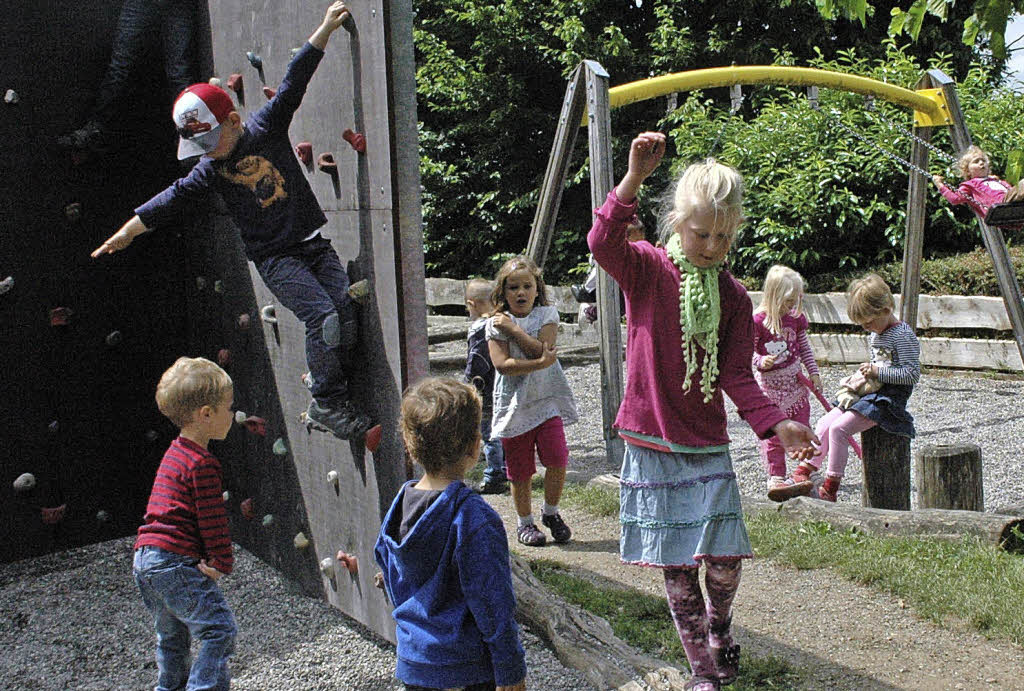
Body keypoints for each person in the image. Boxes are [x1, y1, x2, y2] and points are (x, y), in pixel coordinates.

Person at [588, 132, 818, 691]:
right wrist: (634, 178)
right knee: (677, 567)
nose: (711, 245)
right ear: (676, 223)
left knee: (723, 559)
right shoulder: (644, 270)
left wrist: (777, 422)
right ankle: (701, 670)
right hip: (651, 440)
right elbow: (601, 242)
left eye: (722, 235)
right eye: (700, 233)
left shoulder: (736, 298)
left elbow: (738, 373)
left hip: (705, 442)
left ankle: (721, 625)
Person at [91, 3, 376, 444]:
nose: (206, 152)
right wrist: (128, 231)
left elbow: (293, 84)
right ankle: (325, 400)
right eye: (198, 145)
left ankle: (328, 384)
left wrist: (323, 30)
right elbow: (173, 198)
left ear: (234, 120)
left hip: (312, 243)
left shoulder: (265, 129)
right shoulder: (210, 170)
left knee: (344, 318)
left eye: (210, 140)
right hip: (277, 259)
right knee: (323, 317)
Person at [374, 377, 527, 691]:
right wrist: (511, 672)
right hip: (465, 668)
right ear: (475, 446)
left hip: (415, 662)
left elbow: (387, 568)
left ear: (410, 444)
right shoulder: (474, 518)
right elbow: (494, 602)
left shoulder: (399, 506)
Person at [133, 356, 237, 691]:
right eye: (228, 407)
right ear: (206, 414)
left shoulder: (174, 452)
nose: (233, 415)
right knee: (218, 630)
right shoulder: (202, 463)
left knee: (171, 634)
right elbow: (212, 519)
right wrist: (221, 561)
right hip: (173, 561)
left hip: (145, 559)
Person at [789, 274, 920, 502]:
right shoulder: (876, 333)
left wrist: (879, 372)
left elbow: (911, 374)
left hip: (887, 399)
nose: (867, 328)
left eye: (869, 322)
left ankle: (830, 487)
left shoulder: (902, 336)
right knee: (825, 422)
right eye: (862, 324)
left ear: (887, 309)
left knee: (839, 429)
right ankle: (805, 470)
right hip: (871, 391)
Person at [487, 255, 578, 547]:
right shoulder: (494, 323)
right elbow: (503, 364)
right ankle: (525, 523)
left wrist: (513, 331)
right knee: (520, 469)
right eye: (513, 287)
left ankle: (551, 513)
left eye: (527, 286)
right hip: (514, 406)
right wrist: (539, 362)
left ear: (537, 289)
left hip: (546, 400)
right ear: (503, 292)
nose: (521, 292)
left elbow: (544, 349)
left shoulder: (547, 314)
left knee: (558, 457)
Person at [59, 0, 202, 153]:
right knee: (121, 68)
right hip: (147, 4)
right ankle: (97, 129)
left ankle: (191, 137)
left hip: (176, 5)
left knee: (179, 73)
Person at [751, 265, 822, 501]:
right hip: (770, 389)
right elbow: (748, 353)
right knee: (773, 435)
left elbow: (804, 348)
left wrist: (814, 372)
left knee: (801, 426)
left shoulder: (795, 320)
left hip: (795, 384)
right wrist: (762, 361)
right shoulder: (758, 322)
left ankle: (802, 472)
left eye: (795, 301)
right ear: (773, 295)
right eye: (787, 301)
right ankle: (776, 475)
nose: (791, 306)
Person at [464, 278, 508, 495]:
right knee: (503, 430)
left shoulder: (480, 330)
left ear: (472, 304)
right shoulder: (502, 322)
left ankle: (494, 476)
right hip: (502, 386)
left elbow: (477, 362)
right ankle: (507, 470)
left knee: (489, 435)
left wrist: (469, 382)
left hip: (486, 391)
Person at [571, 215, 646, 324]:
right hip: (596, 288)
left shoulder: (638, 254)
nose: (638, 246)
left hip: (618, 286)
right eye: (634, 242)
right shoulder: (614, 252)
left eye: (641, 241)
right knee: (619, 303)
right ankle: (588, 311)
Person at [932, 145, 1024, 217]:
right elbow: (955, 199)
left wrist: (999, 181)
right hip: (1000, 204)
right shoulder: (970, 185)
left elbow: (1011, 190)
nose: (981, 163)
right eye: (976, 161)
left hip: (1016, 203)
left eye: (983, 160)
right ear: (967, 171)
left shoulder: (996, 181)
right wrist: (940, 185)